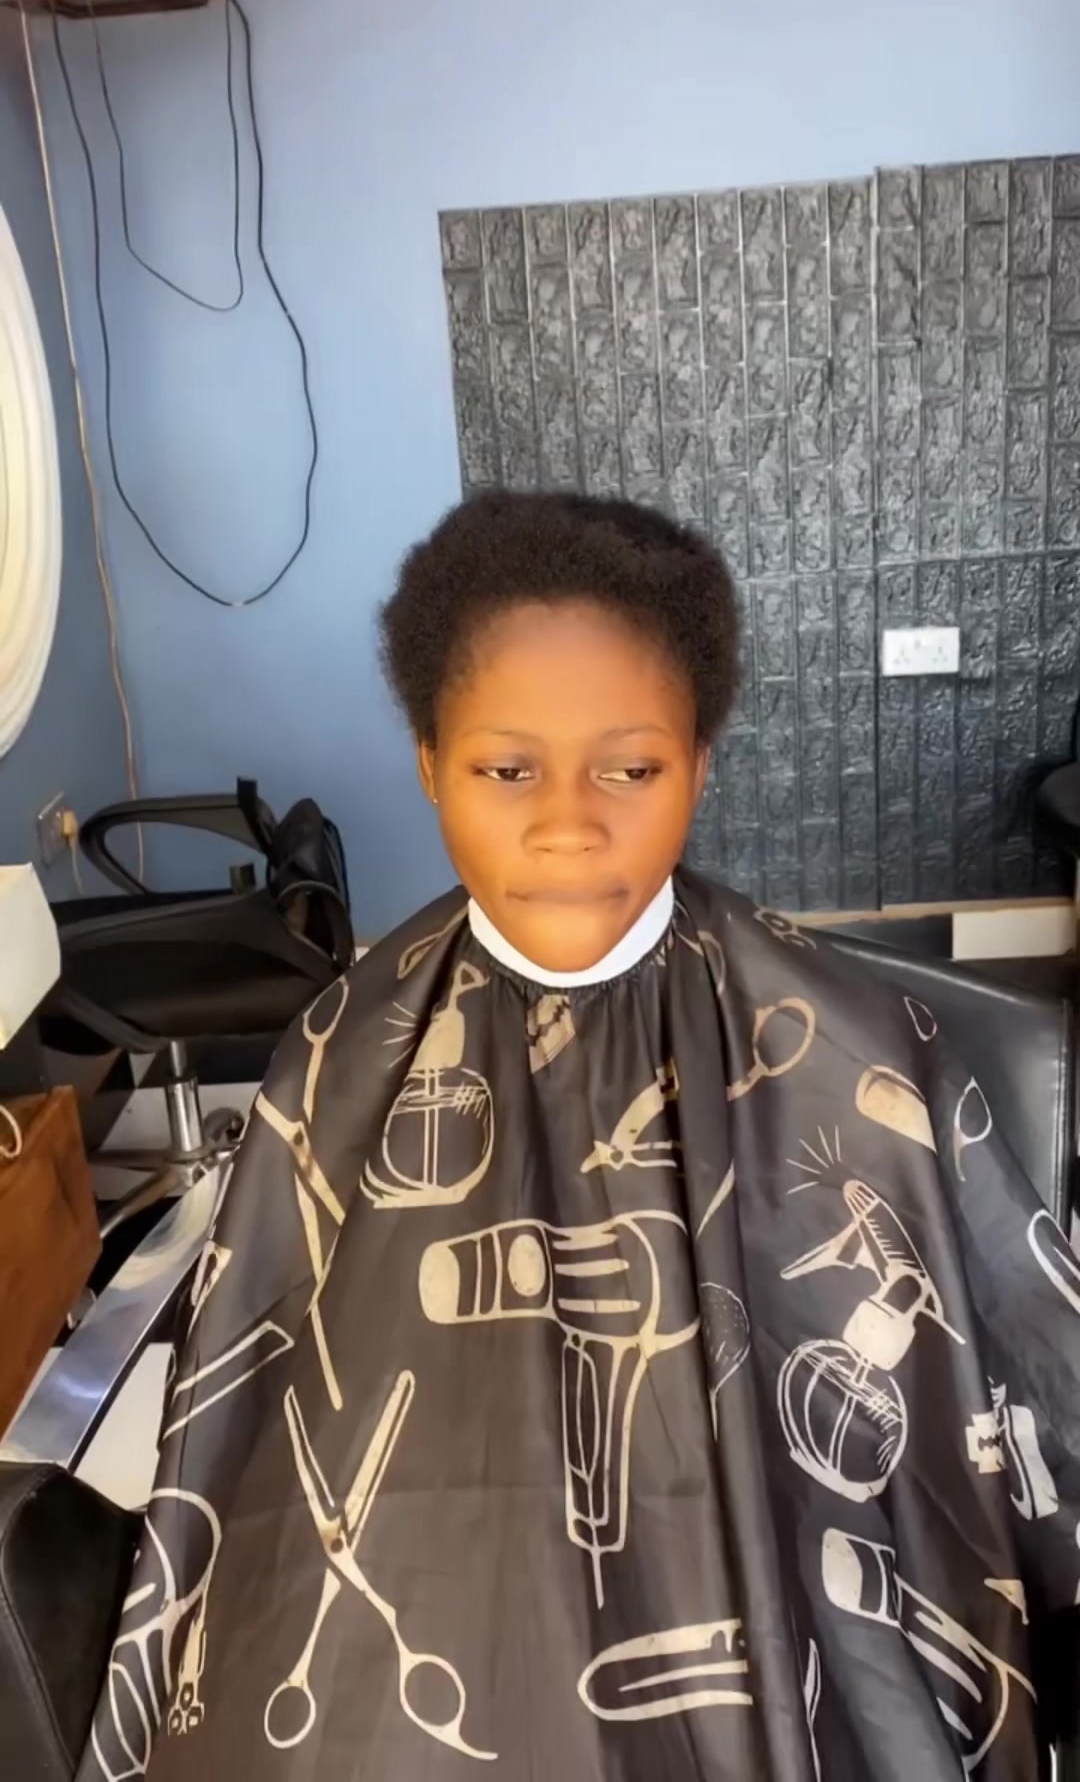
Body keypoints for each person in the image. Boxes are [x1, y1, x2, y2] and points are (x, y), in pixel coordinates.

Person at [79, 491, 1080, 1781]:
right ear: (430, 764)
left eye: (631, 768)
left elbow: (1007, 1408)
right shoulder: (337, 1055)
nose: (568, 823)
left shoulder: (855, 1047)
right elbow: (239, 1439)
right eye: (507, 770)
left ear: (700, 764)